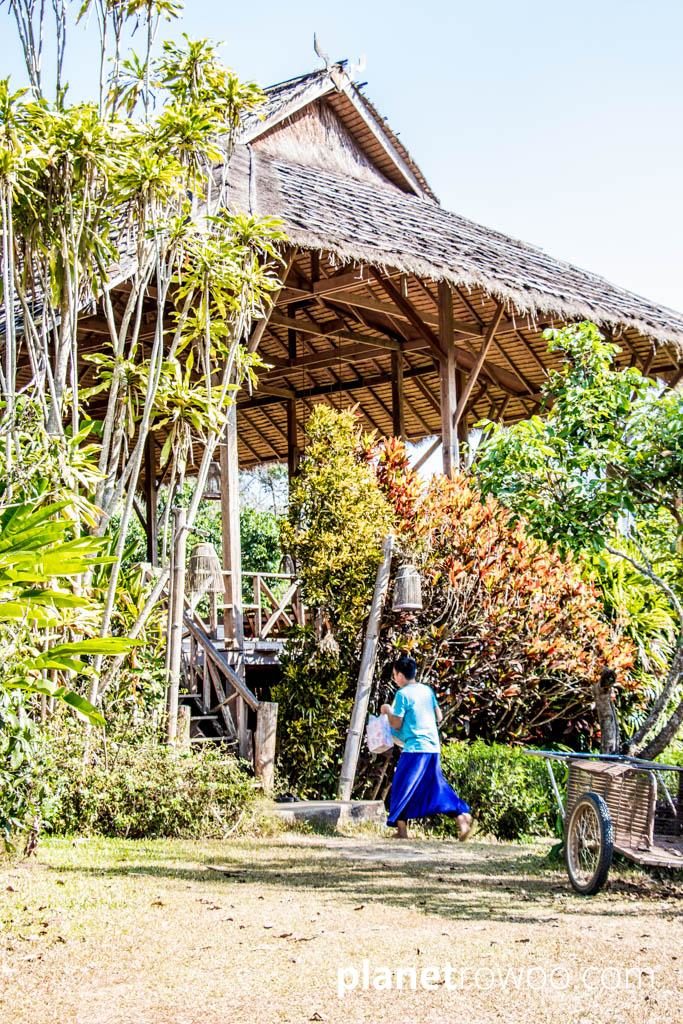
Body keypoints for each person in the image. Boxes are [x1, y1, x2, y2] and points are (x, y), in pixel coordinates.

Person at [380, 653, 472, 841]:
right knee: (435, 787)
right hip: (432, 747)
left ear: (400, 675)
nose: (394, 678)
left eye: (395, 674)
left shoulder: (402, 694)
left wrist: (387, 711)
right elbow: (439, 716)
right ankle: (461, 816)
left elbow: (396, 723)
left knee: (401, 786)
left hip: (415, 748)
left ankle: (402, 831)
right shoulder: (427, 690)